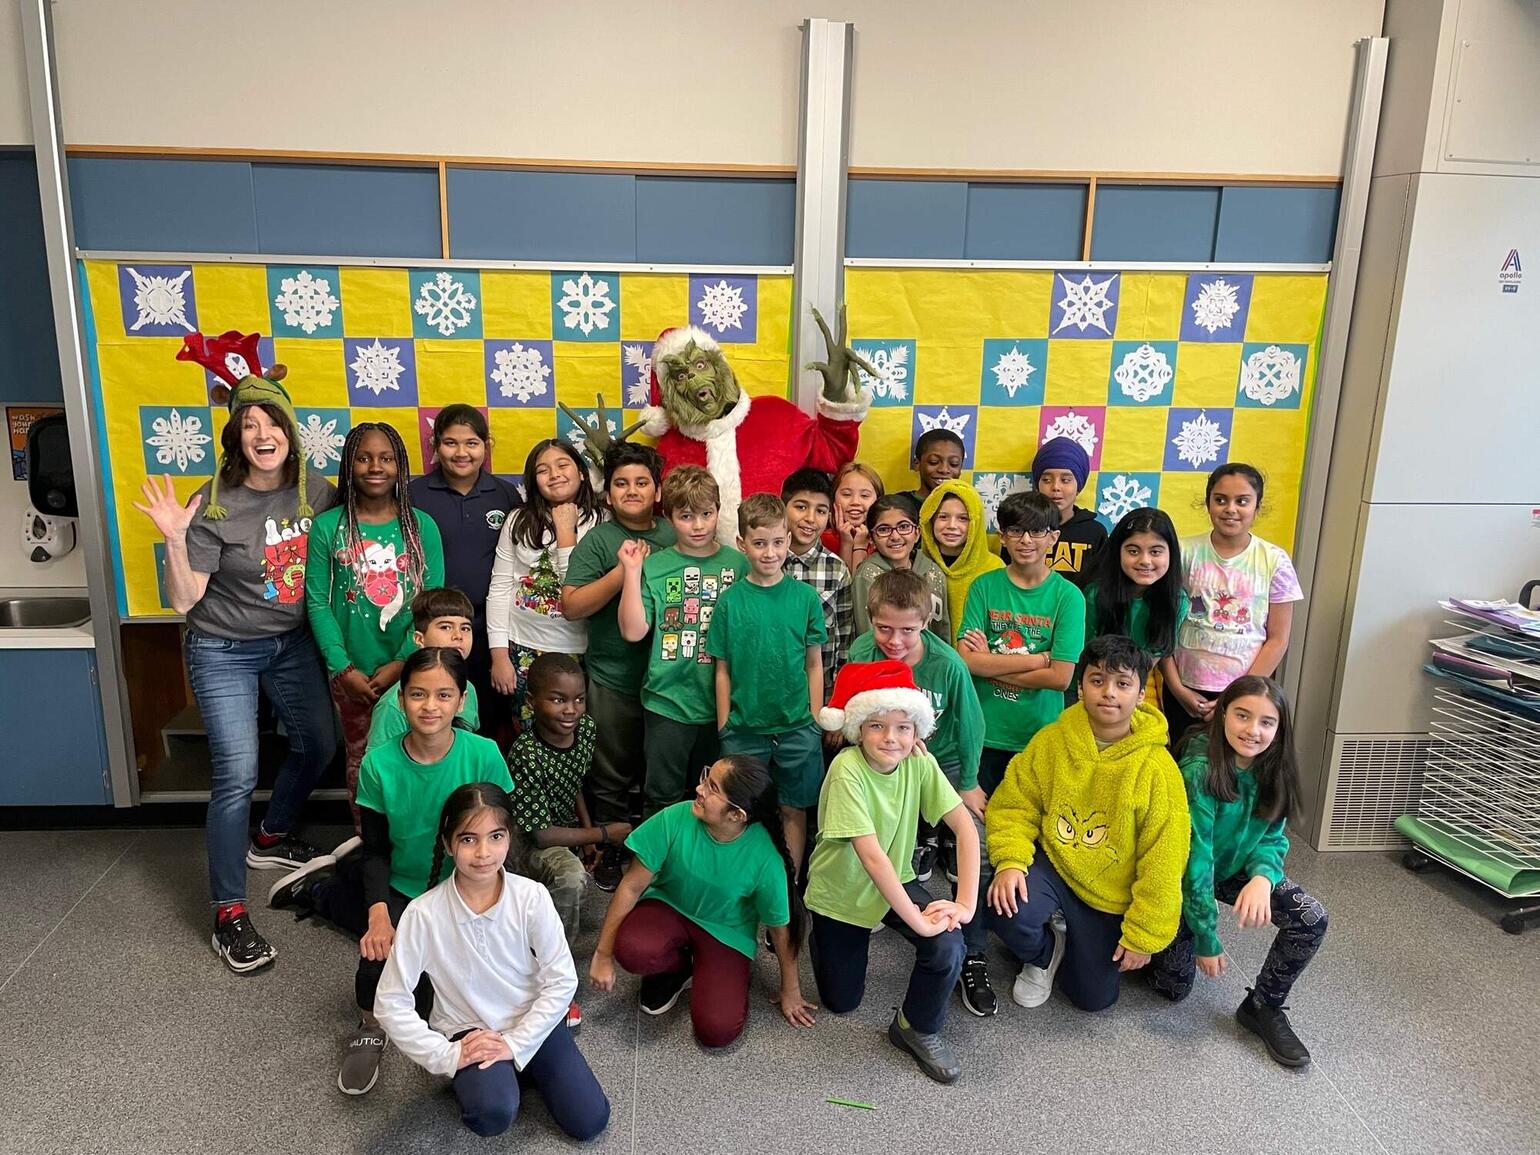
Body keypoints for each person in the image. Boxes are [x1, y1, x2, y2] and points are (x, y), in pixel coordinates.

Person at [133, 340, 337, 973]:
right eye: (249, 425)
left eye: (272, 421)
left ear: (290, 432)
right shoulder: (215, 499)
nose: (262, 433)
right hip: (222, 646)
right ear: (235, 438)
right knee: (236, 775)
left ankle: (270, 837)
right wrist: (176, 538)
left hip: (291, 642)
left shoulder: (318, 492)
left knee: (319, 744)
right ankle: (228, 912)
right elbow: (184, 600)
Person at [266, 647, 512, 1097]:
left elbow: (499, 840)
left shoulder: (485, 755)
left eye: (444, 695)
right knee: (376, 954)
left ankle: (333, 887)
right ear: (401, 699)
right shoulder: (378, 764)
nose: (430, 706)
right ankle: (367, 1024)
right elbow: (377, 849)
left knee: (459, 977)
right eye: (418, 694)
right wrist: (379, 914)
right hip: (401, 879)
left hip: (465, 883)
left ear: (462, 701)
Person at [374, 783, 610, 1141]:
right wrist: (447, 1055)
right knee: (491, 1115)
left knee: (590, 1121)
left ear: (509, 838)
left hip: (531, 1018)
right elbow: (390, 1002)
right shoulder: (423, 914)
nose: (483, 853)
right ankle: (510, 1075)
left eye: (495, 836)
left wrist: (515, 1044)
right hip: (470, 1031)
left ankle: (517, 1067)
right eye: (468, 839)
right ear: (448, 844)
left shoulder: (531, 897)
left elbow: (562, 979)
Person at [986, 635, 1190, 1014]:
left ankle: (1070, 936)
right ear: (1080, 689)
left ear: (1140, 695)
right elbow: (1014, 804)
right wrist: (1010, 861)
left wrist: (1143, 932)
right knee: (1003, 905)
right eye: (1097, 680)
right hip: (1053, 866)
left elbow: (1165, 858)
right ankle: (1045, 952)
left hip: (1108, 893)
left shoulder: (1158, 770)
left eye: (1123, 683)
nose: (1108, 692)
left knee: (1093, 999)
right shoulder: (1052, 740)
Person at [807, 660, 979, 1084]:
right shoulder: (846, 769)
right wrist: (919, 922)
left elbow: (964, 826)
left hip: (894, 881)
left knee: (947, 943)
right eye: (877, 726)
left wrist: (964, 904)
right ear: (858, 729)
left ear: (917, 731)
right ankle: (822, 936)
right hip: (841, 893)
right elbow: (871, 858)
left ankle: (916, 1026)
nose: (891, 737)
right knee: (841, 1002)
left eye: (903, 727)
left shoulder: (919, 762)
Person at [1147, 676, 1326, 1068]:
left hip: (1233, 867)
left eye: (1266, 722)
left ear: (1279, 729)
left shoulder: (1274, 768)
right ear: (1223, 713)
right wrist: (1206, 936)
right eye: (1242, 716)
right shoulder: (1199, 770)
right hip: (1180, 875)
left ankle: (1263, 1006)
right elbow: (1196, 862)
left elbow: (1272, 837)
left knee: (1311, 918)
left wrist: (1263, 877)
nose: (1253, 730)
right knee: (1172, 988)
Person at [844, 571, 993, 1016]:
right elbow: (853, 709)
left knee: (974, 839)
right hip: (884, 759)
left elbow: (971, 723)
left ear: (926, 622)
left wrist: (968, 781)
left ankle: (973, 954)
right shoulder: (861, 651)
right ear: (870, 618)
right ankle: (884, 893)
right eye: (884, 628)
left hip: (938, 759)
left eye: (907, 630)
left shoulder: (947, 664)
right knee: (871, 833)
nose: (895, 640)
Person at [589, 756, 813, 1048]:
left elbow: (780, 929)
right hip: (667, 907)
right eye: (706, 777)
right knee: (633, 950)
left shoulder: (766, 857)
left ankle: (719, 970)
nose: (699, 788)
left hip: (726, 931)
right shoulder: (674, 818)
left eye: (712, 788)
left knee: (717, 1031)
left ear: (736, 815)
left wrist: (790, 989)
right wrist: (603, 953)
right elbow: (631, 886)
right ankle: (678, 968)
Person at [306, 422, 444, 827]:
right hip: (352, 674)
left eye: (386, 458)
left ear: (400, 465)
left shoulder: (421, 526)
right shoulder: (328, 527)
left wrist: (402, 661)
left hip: (412, 669)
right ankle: (371, 842)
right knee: (362, 760)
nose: (375, 467)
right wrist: (342, 667)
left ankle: (418, 840)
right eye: (363, 458)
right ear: (349, 465)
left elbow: (432, 605)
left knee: (418, 754)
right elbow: (317, 602)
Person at [561, 442, 675, 888]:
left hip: (670, 680)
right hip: (613, 677)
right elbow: (572, 605)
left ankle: (656, 851)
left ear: (657, 491)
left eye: (642, 482)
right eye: (621, 483)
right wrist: (624, 571)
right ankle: (610, 847)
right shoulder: (599, 540)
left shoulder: (676, 533)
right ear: (607, 494)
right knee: (610, 771)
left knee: (661, 773)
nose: (632, 491)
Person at [707, 494, 827, 877]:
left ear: (788, 540)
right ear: (741, 544)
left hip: (797, 727)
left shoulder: (805, 599)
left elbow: (814, 664)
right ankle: (744, 880)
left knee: (794, 807)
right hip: (744, 729)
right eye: (759, 543)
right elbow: (722, 669)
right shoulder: (730, 603)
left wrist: (814, 719)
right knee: (742, 809)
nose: (770, 552)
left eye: (777, 542)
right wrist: (724, 725)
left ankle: (788, 881)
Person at [507, 652, 629, 1026]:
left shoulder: (586, 730)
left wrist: (587, 835)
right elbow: (541, 835)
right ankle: (552, 974)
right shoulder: (526, 753)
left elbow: (572, 782)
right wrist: (604, 833)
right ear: (532, 702)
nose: (571, 710)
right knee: (572, 877)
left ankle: (545, 950)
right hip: (526, 841)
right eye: (558, 699)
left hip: (564, 828)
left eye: (578, 699)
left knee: (571, 869)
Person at [618, 466, 746, 817]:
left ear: (718, 511)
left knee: (718, 797)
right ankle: (661, 854)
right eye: (686, 516)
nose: (698, 525)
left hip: (723, 704)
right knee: (662, 797)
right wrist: (632, 572)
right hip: (668, 702)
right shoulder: (656, 565)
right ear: (670, 517)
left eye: (706, 514)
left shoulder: (738, 564)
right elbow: (633, 631)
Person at [958, 491, 1086, 795]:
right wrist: (1039, 660)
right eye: (1016, 530)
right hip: (983, 732)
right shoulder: (983, 586)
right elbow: (967, 661)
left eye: (1037, 531)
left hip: (1039, 736)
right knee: (981, 819)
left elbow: (1060, 678)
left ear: (1053, 537)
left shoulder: (1069, 597)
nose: (1026, 540)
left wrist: (990, 664)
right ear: (1003, 536)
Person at [1165, 464, 1302, 742]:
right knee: (1181, 762)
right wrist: (1177, 688)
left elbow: (1278, 638)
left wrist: (1237, 696)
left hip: (1246, 694)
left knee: (1231, 765)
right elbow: (1162, 627)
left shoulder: (1274, 560)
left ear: (1257, 506)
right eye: (1220, 500)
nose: (1230, 509)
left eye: (1242, 501)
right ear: (1208, 503)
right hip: (1184, 691)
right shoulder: (1182, 552)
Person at [409, 405, 522, 740]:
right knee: (439, 709)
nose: (461, 453)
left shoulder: (504, 494)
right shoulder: (414, 495)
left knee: (489, 715)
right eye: (450, 443)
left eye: (471, 443)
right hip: (436, 629)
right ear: (435, 446)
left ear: (486, 445)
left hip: (491, 630)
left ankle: (482, 771)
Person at [486, 438, 600, 726]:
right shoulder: (518, 520)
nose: (554, 474)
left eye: (563, 465)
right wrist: (499, 656)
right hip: (523, 647)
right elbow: (499, 588)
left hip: (579, 649)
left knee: (572, 732)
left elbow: (575, 588)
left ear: (582, 473)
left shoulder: (601, 521)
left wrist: (565, 532)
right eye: (543, 470)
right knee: (528, 732)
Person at [1084, 507, 1188, 699]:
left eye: (1155, 551)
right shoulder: (1095, 596)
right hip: (1092, 686)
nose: (1145, 561)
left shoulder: (1177, 602)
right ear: (1118, 552)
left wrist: (1126, 694)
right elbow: (1086, 657)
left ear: (1171, 554)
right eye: (1133, 551)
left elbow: (1150, 661)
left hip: (1134, 687)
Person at [365, 587, 479, 749]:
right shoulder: (392, 705)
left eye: (465, 628)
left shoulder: (469, 689)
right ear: (419, 639)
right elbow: (378, 760)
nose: (458, 635)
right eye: (445, 627)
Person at [781, 467, 852, 701]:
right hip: (770, 689)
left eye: (820, 510)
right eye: (801, 507)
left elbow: (845, 638)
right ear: (783, 508)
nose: (810, 518)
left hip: (820, 693)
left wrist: (839, 697)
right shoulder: (765, 562)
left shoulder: (837, 570)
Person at [851, 495, 951, 640]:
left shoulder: (933, 572)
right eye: (884, 529)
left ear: (917, 533)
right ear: (871, 538)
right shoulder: (867, 576)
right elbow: (867, 636)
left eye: (904, 527)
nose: (895, 536)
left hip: (932, 654)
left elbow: (942, 630)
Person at [918, 479, 1003, 639]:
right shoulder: (916, 565)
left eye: (963, 518)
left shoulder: (994, 568)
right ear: (930, 520)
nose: (952, 525)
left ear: (976, 522)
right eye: (943, 517)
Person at [1024, 436, 1106, 587]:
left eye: (1065, 480)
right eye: (1047, 480)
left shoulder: (1094, 532)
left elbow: (1100, 586)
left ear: (1078, 485)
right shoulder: (1021, 528)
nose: (1056, 487)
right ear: (1037, 484)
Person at [822, 461, 884, 571]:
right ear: (833, 499)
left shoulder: (884, 540)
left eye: (864, 495)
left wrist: (860, 546)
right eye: (846, 494)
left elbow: (860, 581)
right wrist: (846, 543)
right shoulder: (821, 540)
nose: (855, 502)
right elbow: (844, 580)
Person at [892, 428, 965, 519]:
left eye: (954, 463)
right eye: (934, 462)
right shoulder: (897, 505)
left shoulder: (966, 506)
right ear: (917, 464)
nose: (944, 470)